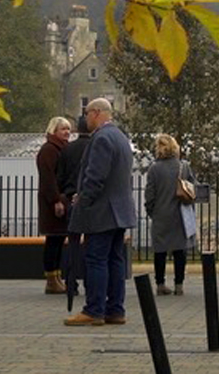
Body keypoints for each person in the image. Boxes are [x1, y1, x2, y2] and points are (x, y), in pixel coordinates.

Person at [65, 98, 137, 326]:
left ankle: (93, 309)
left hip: (102, 211)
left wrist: (83, 199)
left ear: (96, 113)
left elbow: (95, 177)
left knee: (95, 259)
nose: (85, 119)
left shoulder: (102, 138)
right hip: (120, 210)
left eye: (87, 114)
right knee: (115, 260)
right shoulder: (120, 137)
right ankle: (115, 310)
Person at [144, 134, 196, 296]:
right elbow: (193, 188)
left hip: (161, 214)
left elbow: (149, 194)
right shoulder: (184, 167)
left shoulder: (154, 168)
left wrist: (151, 211)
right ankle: (179, 284)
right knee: (180, 250)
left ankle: (160, 284)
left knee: (160, 251)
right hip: (181, 213)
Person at [37, 116, 71, 295]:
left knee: (58, 240)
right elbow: (48, 178)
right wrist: (55, 200)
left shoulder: (61, 149)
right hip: (53, 202)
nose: (67, 132)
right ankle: (51, 279)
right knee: (53, 240)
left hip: (60, 199)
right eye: (63, 129)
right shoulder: (49, 150)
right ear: (54, 131)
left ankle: (57, 277)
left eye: (68, 129)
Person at [56, 115, 90, 297]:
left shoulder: (67, 149)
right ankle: (91, 281)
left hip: (70, 199)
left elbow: (59, 177)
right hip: (90, 200)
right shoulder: (95, 147)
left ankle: (70, 282)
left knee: (73, 243)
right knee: (92, 242)